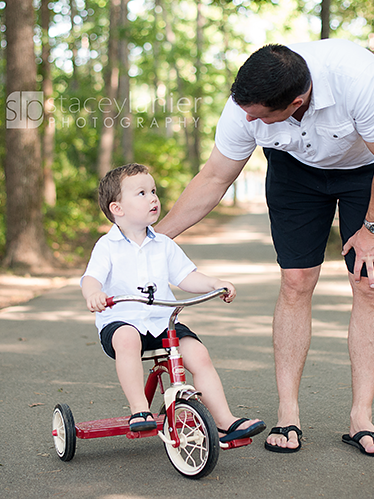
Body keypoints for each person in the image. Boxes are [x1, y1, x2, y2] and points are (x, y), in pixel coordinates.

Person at [156, 40, 374, 457]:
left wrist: (373, 228)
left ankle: (361, 418)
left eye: (257, 116)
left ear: (296, 102)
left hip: (368, 171)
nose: (247, 118)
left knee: (369, 284)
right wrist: (154, 239)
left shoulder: (358, 79)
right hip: (295, 174)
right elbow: (215, 177)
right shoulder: (245, 104)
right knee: (295, 282)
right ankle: (288, 413)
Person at [81, 163, 266, 442]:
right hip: (121, 324)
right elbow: (90, 278)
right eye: (141, 193)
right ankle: (139, 410)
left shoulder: (164, 245)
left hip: (162, 323)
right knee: (128, 338)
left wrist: (215, 284)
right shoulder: (107, 247)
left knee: (199, 354)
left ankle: (225, 421)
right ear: (117, 208)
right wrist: (93, 294)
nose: (153, 198)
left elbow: (187, 277)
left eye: (153, 191)